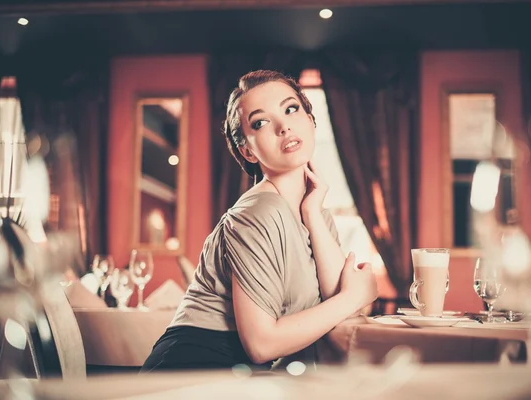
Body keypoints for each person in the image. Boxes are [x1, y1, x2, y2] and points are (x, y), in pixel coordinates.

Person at [140, 70, 378, 372]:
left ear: (310, 119)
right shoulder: (256, 212)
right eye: (261, 122)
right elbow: (260, 344)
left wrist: (313, 215)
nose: (283, 126)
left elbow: (338, 303)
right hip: (193, 368)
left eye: (291, 108)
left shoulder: (315, 211)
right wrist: (354, 296)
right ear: (247, 151)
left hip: (241, 376)